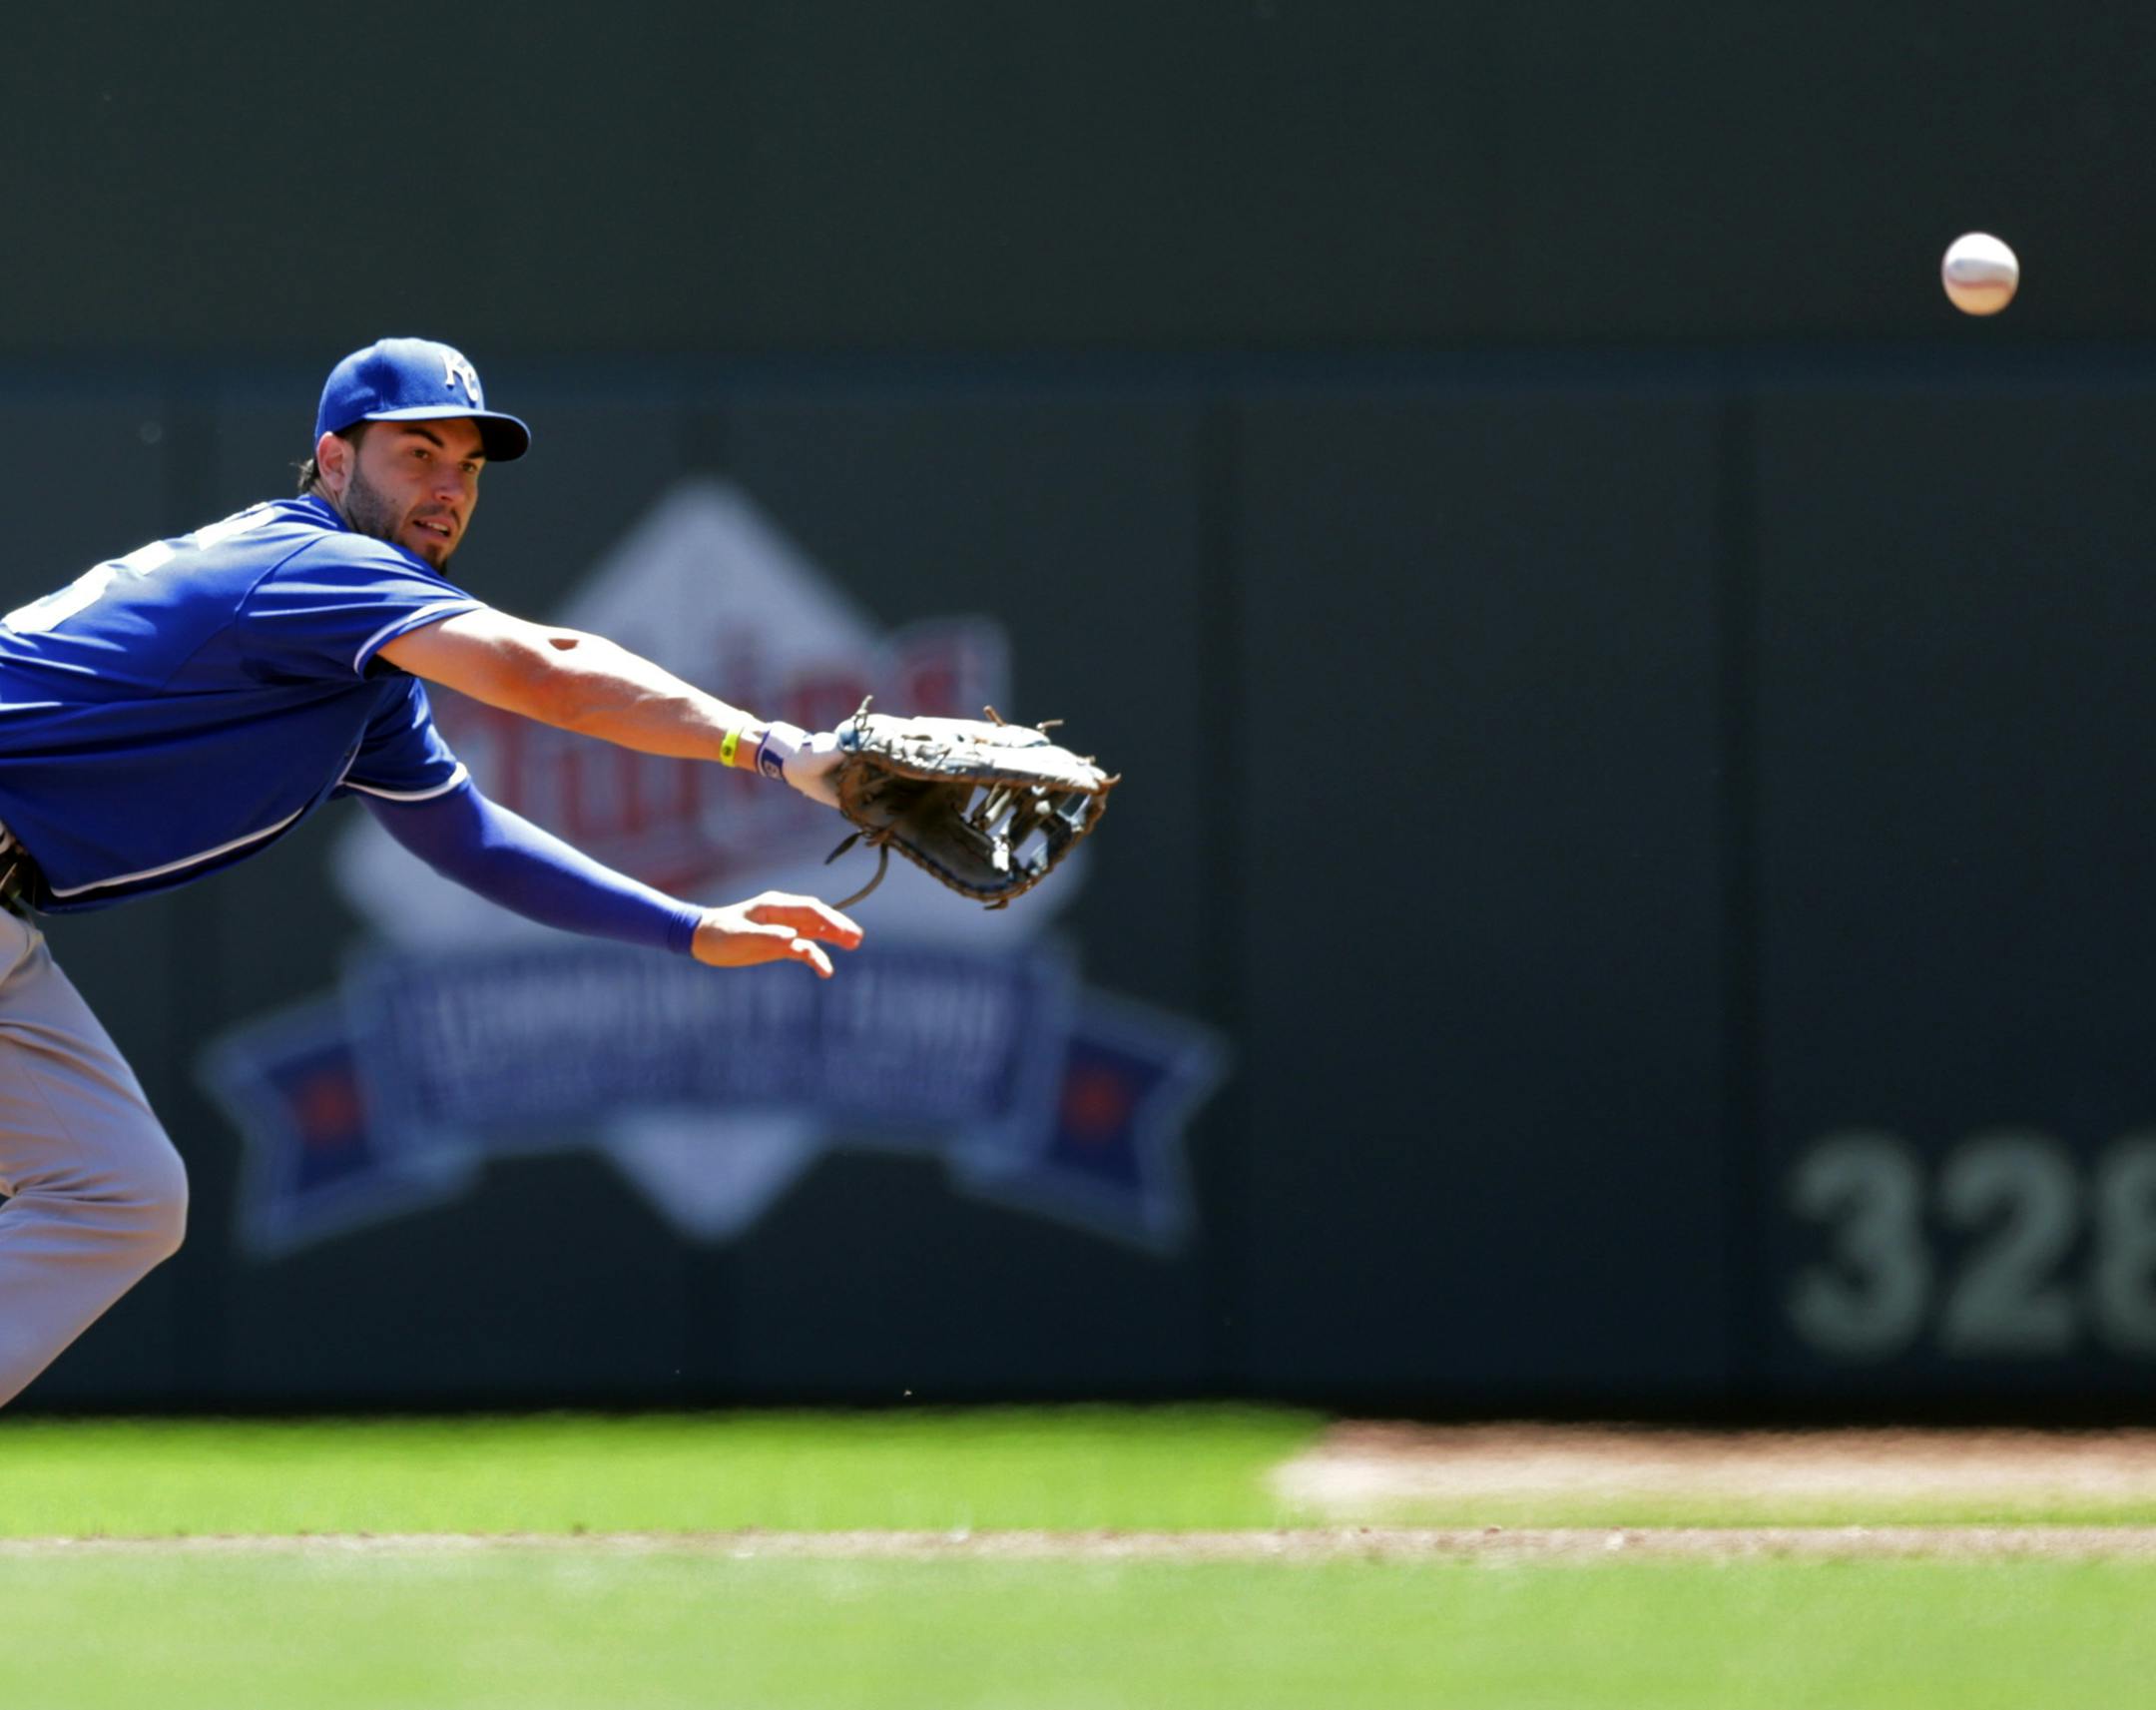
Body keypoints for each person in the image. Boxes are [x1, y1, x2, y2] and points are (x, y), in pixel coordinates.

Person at [0, 336, 866, 1408]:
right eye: (417, 454)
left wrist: (687, 928)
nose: (448, 489)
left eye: (468, 467)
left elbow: (468, 839)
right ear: (331, 460)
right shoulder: (313, 565)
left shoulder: (360, 682)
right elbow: (544, 670)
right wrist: (772, 748)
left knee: (116, 1192)